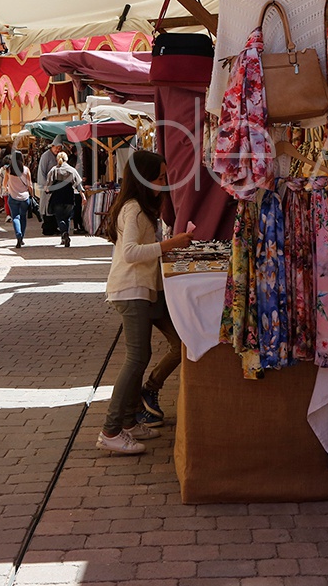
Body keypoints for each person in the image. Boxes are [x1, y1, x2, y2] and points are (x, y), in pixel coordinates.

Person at [97, 150, 193, 454]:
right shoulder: (134, 209)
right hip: (131, 290)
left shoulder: (138, 208)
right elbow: (130, 253)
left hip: (144, 290)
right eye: (160, 177)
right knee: (137, 358)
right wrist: (169, 244)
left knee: (173, 345)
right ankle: (111, 430)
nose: (164, 183)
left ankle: (129, 421)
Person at [45, 150, 83, 247]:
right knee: (67, 217)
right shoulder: (72, 170)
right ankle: (65, 235)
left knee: (59, 217)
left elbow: (48, 185)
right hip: (69, 196)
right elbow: (79, 184)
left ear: (57, 159)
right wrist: (83, 197)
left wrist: (47, 190)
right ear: (67, 159)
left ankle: (64, 233)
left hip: (57, 196)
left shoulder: (54, 170)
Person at [1, 151, 34, 248]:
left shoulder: (9, 170)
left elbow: (4, 183)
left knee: (15, 217)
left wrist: (8, 189)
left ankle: (18, 235)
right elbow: (30, 185)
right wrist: (32, 195)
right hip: (24, 198)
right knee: (23, 217)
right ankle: (21, 237)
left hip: (13, 197)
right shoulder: (26, 170)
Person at [36, 137, 65, 235]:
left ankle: (54, 227)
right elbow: (41, 171)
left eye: (59, 148)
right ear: (52, 146)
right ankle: (48, 228)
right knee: (47, 207)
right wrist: (45, 185)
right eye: (56, 147)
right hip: (47, 186)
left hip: (56, 186)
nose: (58, 150)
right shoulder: (46, 156)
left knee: (54, 208)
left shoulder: (58, 157)